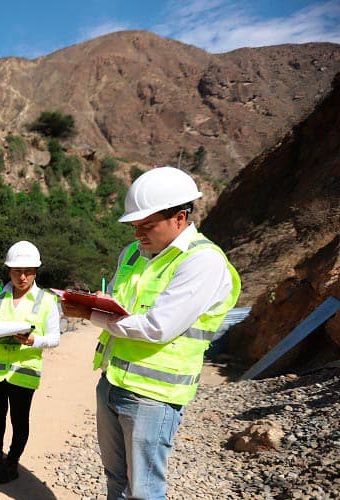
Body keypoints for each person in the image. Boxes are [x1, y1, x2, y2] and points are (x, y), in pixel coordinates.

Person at [61, 166, 240, 499]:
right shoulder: (132, 254)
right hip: (112, 382)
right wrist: (89, 302)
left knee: (144, 490)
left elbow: (158, 327)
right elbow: (115, 301)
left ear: (180, 218)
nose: (138, 234)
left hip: (154, 396)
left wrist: (88, 312)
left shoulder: (202, 262)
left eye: (147, 226)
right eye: (134, 226)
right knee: (116, 479)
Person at [0, 240, 61, 483]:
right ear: (9, 270)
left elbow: (54, 338)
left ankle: (12, 462)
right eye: (18, 271)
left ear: (36, 272)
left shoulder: (47, 301)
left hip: (23, 370)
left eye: (29, 271)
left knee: (19, 420)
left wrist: (33, 340)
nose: (23, 277)